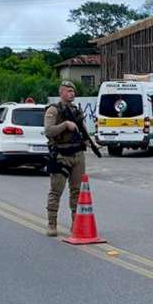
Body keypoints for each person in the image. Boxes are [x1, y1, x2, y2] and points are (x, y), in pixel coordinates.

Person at [44, 81, 87, 237]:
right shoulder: (53, 110)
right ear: (61, 92)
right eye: (69, 91)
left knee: (77, 191)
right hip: (61, 155)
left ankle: (76, 224)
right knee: (56, 191)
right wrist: (64, 125)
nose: (72, 94)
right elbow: (48, 131)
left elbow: (83, 131)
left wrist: (89, 142)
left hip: (77, 154)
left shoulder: (76, 110)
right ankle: (52, 224)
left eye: (73, 91)